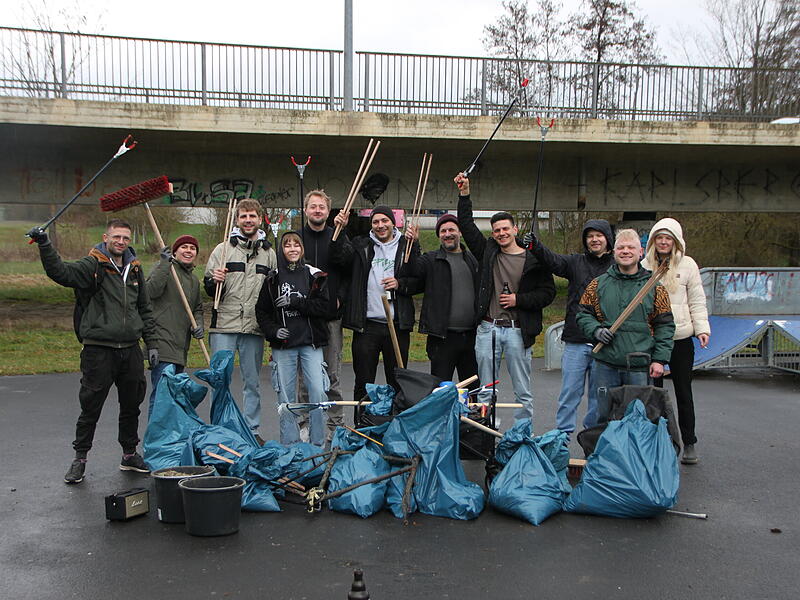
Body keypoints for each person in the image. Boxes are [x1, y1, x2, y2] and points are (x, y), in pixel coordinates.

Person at [28, 220, 157, 484]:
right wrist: (45, 244)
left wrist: (151, 343)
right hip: (99, 350)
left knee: (132, 405)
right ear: (105, 237)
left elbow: (144, 308)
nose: (121, 242)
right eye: (116, 237)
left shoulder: (134, 268)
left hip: (130, 349)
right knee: (90, 407)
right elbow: (61, 273)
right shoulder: (93, 265)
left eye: (125, 238)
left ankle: (130, 454)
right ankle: (80, 459)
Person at [455, 174, 556, 424]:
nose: (501, 234)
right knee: (486, 389)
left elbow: (548, 293)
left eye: (505, 229)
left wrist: (518, 300)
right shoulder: (488, 253)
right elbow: (466, 225)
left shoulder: (534, 258)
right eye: (496, 230)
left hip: (518, 332)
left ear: (515, 229)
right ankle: (488, 431)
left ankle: (523, 433)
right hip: (487, 328)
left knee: (523, 389)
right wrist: (464, 194)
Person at [524, 220, 615, 437]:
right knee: (569, 394)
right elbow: (553, 261)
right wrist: (535, 246)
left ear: (608, 239)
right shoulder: (576, 262)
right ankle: (562, 438)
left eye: (599, 235)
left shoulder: (617, 266)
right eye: (590, 236)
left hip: (605, 343)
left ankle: (592, 437)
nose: (594, 239)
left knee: (598, 396)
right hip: (576, 340)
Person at [576, 228, 675, 420]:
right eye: (621, 247)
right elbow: (582, 315)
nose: (626, 251)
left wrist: (659, 359)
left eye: (631, 247)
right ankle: (601, 450)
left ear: (641, 252)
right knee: (602, 416)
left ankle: (633, 451)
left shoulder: (655, 288)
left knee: (636, 417)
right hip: (605, 363)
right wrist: (595, 330)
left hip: (638, 364)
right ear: (614, 252)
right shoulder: (597, 285)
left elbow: (665, 325)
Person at [204, 199, 276, 443]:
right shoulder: (222, 249)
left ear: (259, 219)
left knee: (252, 382)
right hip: (224, 324)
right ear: (237, 220)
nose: (248, 220)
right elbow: (208, 289)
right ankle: (219, 430)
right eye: (244, 216)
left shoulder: (269, 253)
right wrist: (215, 280)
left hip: (254, 328)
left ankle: (251, 430)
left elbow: (272, 293)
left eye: (252, 216)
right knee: (219, 379)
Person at [330, 205, 420, 401]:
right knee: (363, 381)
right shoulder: (361, 244)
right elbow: (339, 258)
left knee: (397, 382)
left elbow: (419, 279)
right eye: (376, 222)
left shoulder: (407, 245)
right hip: (367, 326)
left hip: (396, 325)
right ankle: (362, 427)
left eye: (384, 221)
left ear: (393, 222)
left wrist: (400, 283)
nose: (380, 225)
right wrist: (340, 229)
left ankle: (394, 425)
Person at [255, 232, 333, 447]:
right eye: (287, 245)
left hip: (310, 343)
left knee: (317, 391)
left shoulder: (315, 276)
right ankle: (289, 444)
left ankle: (317, 444)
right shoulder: (273, 278)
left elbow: (324, 308)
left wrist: (296, 301)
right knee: (286, 398)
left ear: (302, 249)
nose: (292, 249)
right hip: (284, 346)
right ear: (282, 250)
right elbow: (261, 311)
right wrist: (273, 331)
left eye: (296, 245)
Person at [642, 217, 710, 465]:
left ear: (676, 241)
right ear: (653, 241)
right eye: (659, 237)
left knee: (684, 391)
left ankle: (689, 442)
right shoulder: (644, 265)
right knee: (653, 393)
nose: (663, 241)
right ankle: (657, 442)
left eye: (667, 237)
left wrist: (701, 328)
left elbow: (697, 300)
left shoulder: (689, 265)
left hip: (680, 338)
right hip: (652, 339)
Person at [403, 213, 480, 387]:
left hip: (471, 337)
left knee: (472, 390)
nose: (447, 234)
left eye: (451, 229)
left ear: (459, 232)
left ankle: (472, 415)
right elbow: (411, 269)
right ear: (439, 235)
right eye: (443, 231)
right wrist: (413, 243)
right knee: (440, 391)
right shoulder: (431, 260)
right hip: (442, 338)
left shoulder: (473, 260)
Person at [295, 190, 347, 438]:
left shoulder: (336, 237)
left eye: (322, 207)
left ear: (329, 212)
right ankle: (304, 424)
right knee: (304, 375)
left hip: (330, 317)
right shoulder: (295, 239)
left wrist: (341, 299)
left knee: (332, 373)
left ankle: (335, 426)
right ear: (305, 210)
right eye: (313, 207)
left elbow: (349, 270)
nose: (317, 211)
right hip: (303, 318)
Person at [145, 234, 204, 420]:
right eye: (184, 247)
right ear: (175, 251)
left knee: (175, 397)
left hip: (180, 347)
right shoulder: (165, 269)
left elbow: (198, 309)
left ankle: (169, 440)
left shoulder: (194, 280)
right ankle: (156, 440)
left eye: (192, 248)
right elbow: (150, 292)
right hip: (161, 343)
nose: (188, 251)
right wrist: (164, 264)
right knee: (162, 396)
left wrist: (199, 325)